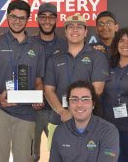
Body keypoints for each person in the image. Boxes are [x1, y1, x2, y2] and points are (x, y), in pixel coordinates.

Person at [0, 0, 45, 162]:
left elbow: (38, 81)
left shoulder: (37, 46)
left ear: (28, 19)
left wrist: (39, 97)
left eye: (22, 18)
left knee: (25, 158)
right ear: (7, 18)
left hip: (26, 112)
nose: (17, 21)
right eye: (13, 17)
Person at [44, 14, 109, 148]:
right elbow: (48, 90)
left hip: (88, 122)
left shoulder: (97, 56)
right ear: (65, 32)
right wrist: (63, 112)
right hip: (59, 119)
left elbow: (97, 89)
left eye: (79, 27)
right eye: (71, 27)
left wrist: (76, 113)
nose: (75, 30)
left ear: (85, 32)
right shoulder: (54, 58)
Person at [102, 27, 128, 162]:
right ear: (116, 44)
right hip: (109, 127)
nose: (125, 44)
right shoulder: (107, 65)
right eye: (122, 40)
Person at [50, 80, 119, 162]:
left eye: (85, 99)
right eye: (74, 99)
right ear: (68, 104)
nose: (79, 104)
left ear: (93, 104)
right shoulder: (60, 131)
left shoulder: (108, 131)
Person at [33, 3, 67, 162]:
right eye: (43, 17)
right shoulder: (28, 43)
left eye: (51, 17)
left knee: (59, 155)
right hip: (31, 110)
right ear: (37, 19)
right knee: (30, 155)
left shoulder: (65, 44)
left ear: (56, 20)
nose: (47, 21)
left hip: (57, 109)